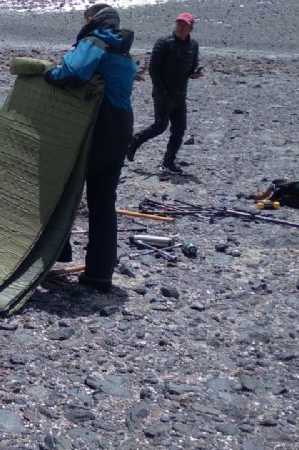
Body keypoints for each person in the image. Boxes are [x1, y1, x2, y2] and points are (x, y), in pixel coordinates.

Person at [44, 4, 136, 291]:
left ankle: (57, 251)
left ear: (94, 21)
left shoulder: (96, 42)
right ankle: (100, 272)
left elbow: (73, 72)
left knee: (63, 185)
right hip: (121, 126)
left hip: (99, 125)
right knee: (103, 200)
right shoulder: (123, 52)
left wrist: (51, 74)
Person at [126, 12, 202, 173]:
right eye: (179, 23)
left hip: (180, 95)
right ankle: (134, 142)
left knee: (179, 129)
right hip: (163, 94)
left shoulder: (193, 46)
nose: (180, 26)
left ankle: (169, 161)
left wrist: (195, 73)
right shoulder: (163, 43)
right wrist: (162, 92)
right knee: (160, 126)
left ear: (190, 28)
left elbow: (191, 68)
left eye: (184, 24)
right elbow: (154, 69)